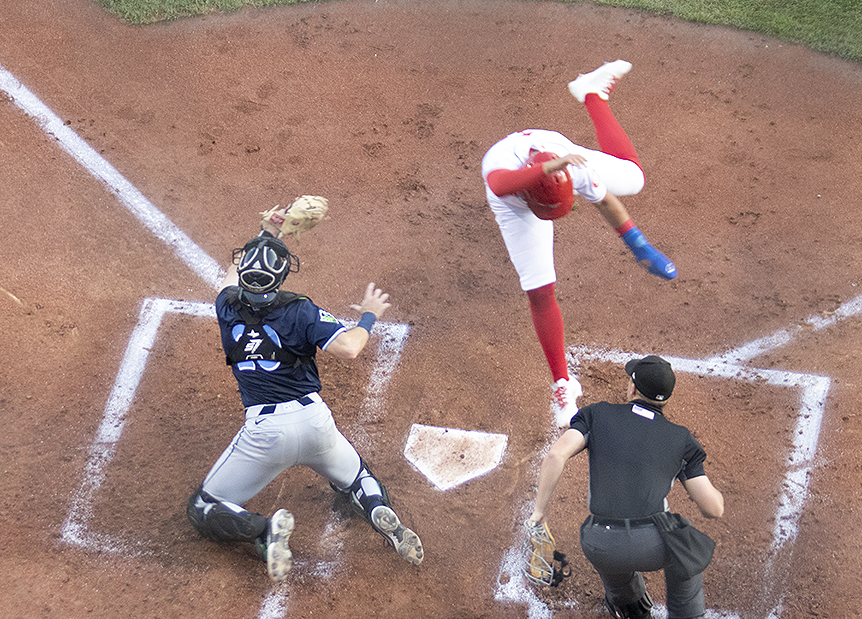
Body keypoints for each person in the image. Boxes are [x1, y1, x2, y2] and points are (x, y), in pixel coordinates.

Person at [186, 229, 423, 581]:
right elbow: (349, 348)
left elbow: (230, 275)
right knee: (357, 477)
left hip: (265, 435)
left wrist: (267, 231)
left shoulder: (226, 305)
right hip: (316, 424)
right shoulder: (301, 311)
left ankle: (263, 530)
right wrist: (369, 315)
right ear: (280, 277)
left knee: (202, 507)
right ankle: (375, 505)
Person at [481, 60, 678, 428]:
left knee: (633, 177)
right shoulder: (501, 177)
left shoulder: (577, 169)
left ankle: (592, 92)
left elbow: (605, 202)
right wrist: (544, 171)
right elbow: (502, 185)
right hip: (521, 192)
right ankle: (562, 383)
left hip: (556, 156)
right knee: (540, 290)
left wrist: (640, 246)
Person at [522, 355, 724, 619]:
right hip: (652, 546)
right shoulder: (681, 439)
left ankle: (632, 612)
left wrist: (539, 511)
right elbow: (713, 509)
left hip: (599, 543)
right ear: (668, 398)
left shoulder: (597, 414)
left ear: (632, 387)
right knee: (687, 545)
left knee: (611, 552)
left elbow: (555, 456)